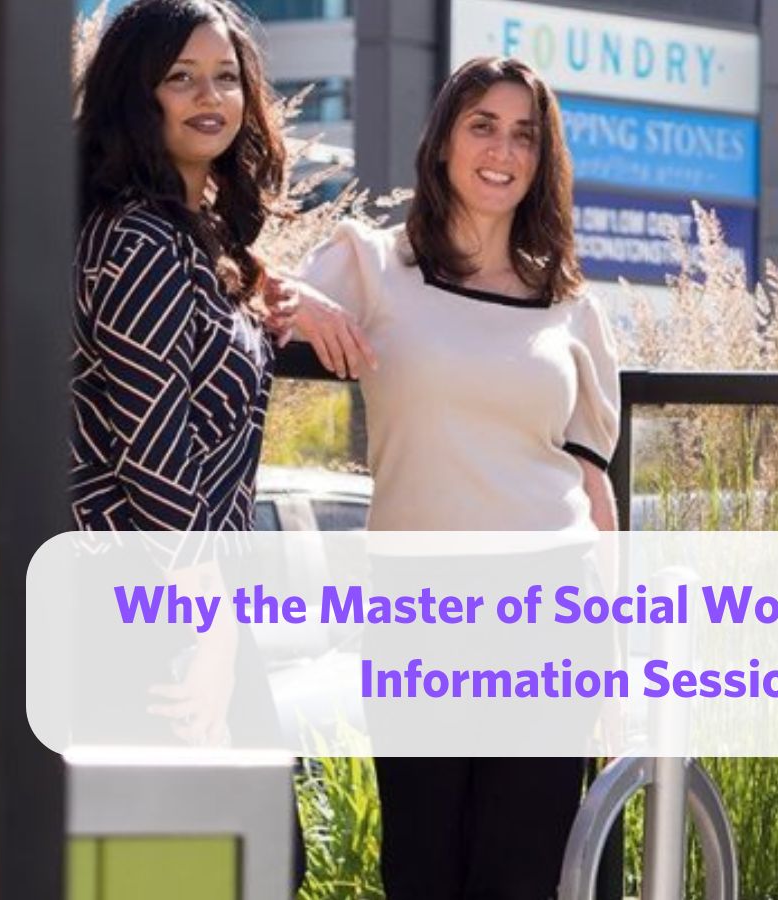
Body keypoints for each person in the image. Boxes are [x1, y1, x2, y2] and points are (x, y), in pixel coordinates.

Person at [272, 56, 620, 900]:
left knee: (525, 868)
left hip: (551, 606)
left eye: (524, 136)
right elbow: (252, 300)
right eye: (482, 126)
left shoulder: (571, 304)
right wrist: (302, 301)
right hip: (419, 607)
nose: (502, 150)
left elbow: (593, 487)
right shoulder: (372, 263)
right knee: (424, 862)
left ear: (543, 161)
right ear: (442, 144)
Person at [68, 0, 289, 749]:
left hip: (180, 600)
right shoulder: (138, 239)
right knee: (203, 853)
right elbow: (156, 459)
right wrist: (211, 631)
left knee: (236, 853)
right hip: (150, 613)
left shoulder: (194, 241)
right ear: (138, 96)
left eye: (225, 78)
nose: (210, 97)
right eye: (181, 77)